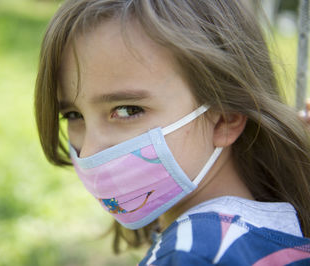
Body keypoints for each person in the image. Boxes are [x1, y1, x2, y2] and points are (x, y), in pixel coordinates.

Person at [35, 0, 310, 265]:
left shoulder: (191, 254)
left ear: (225, 119)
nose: (90, 151)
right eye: (73, 115)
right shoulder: (272, 233)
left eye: (128, 110)